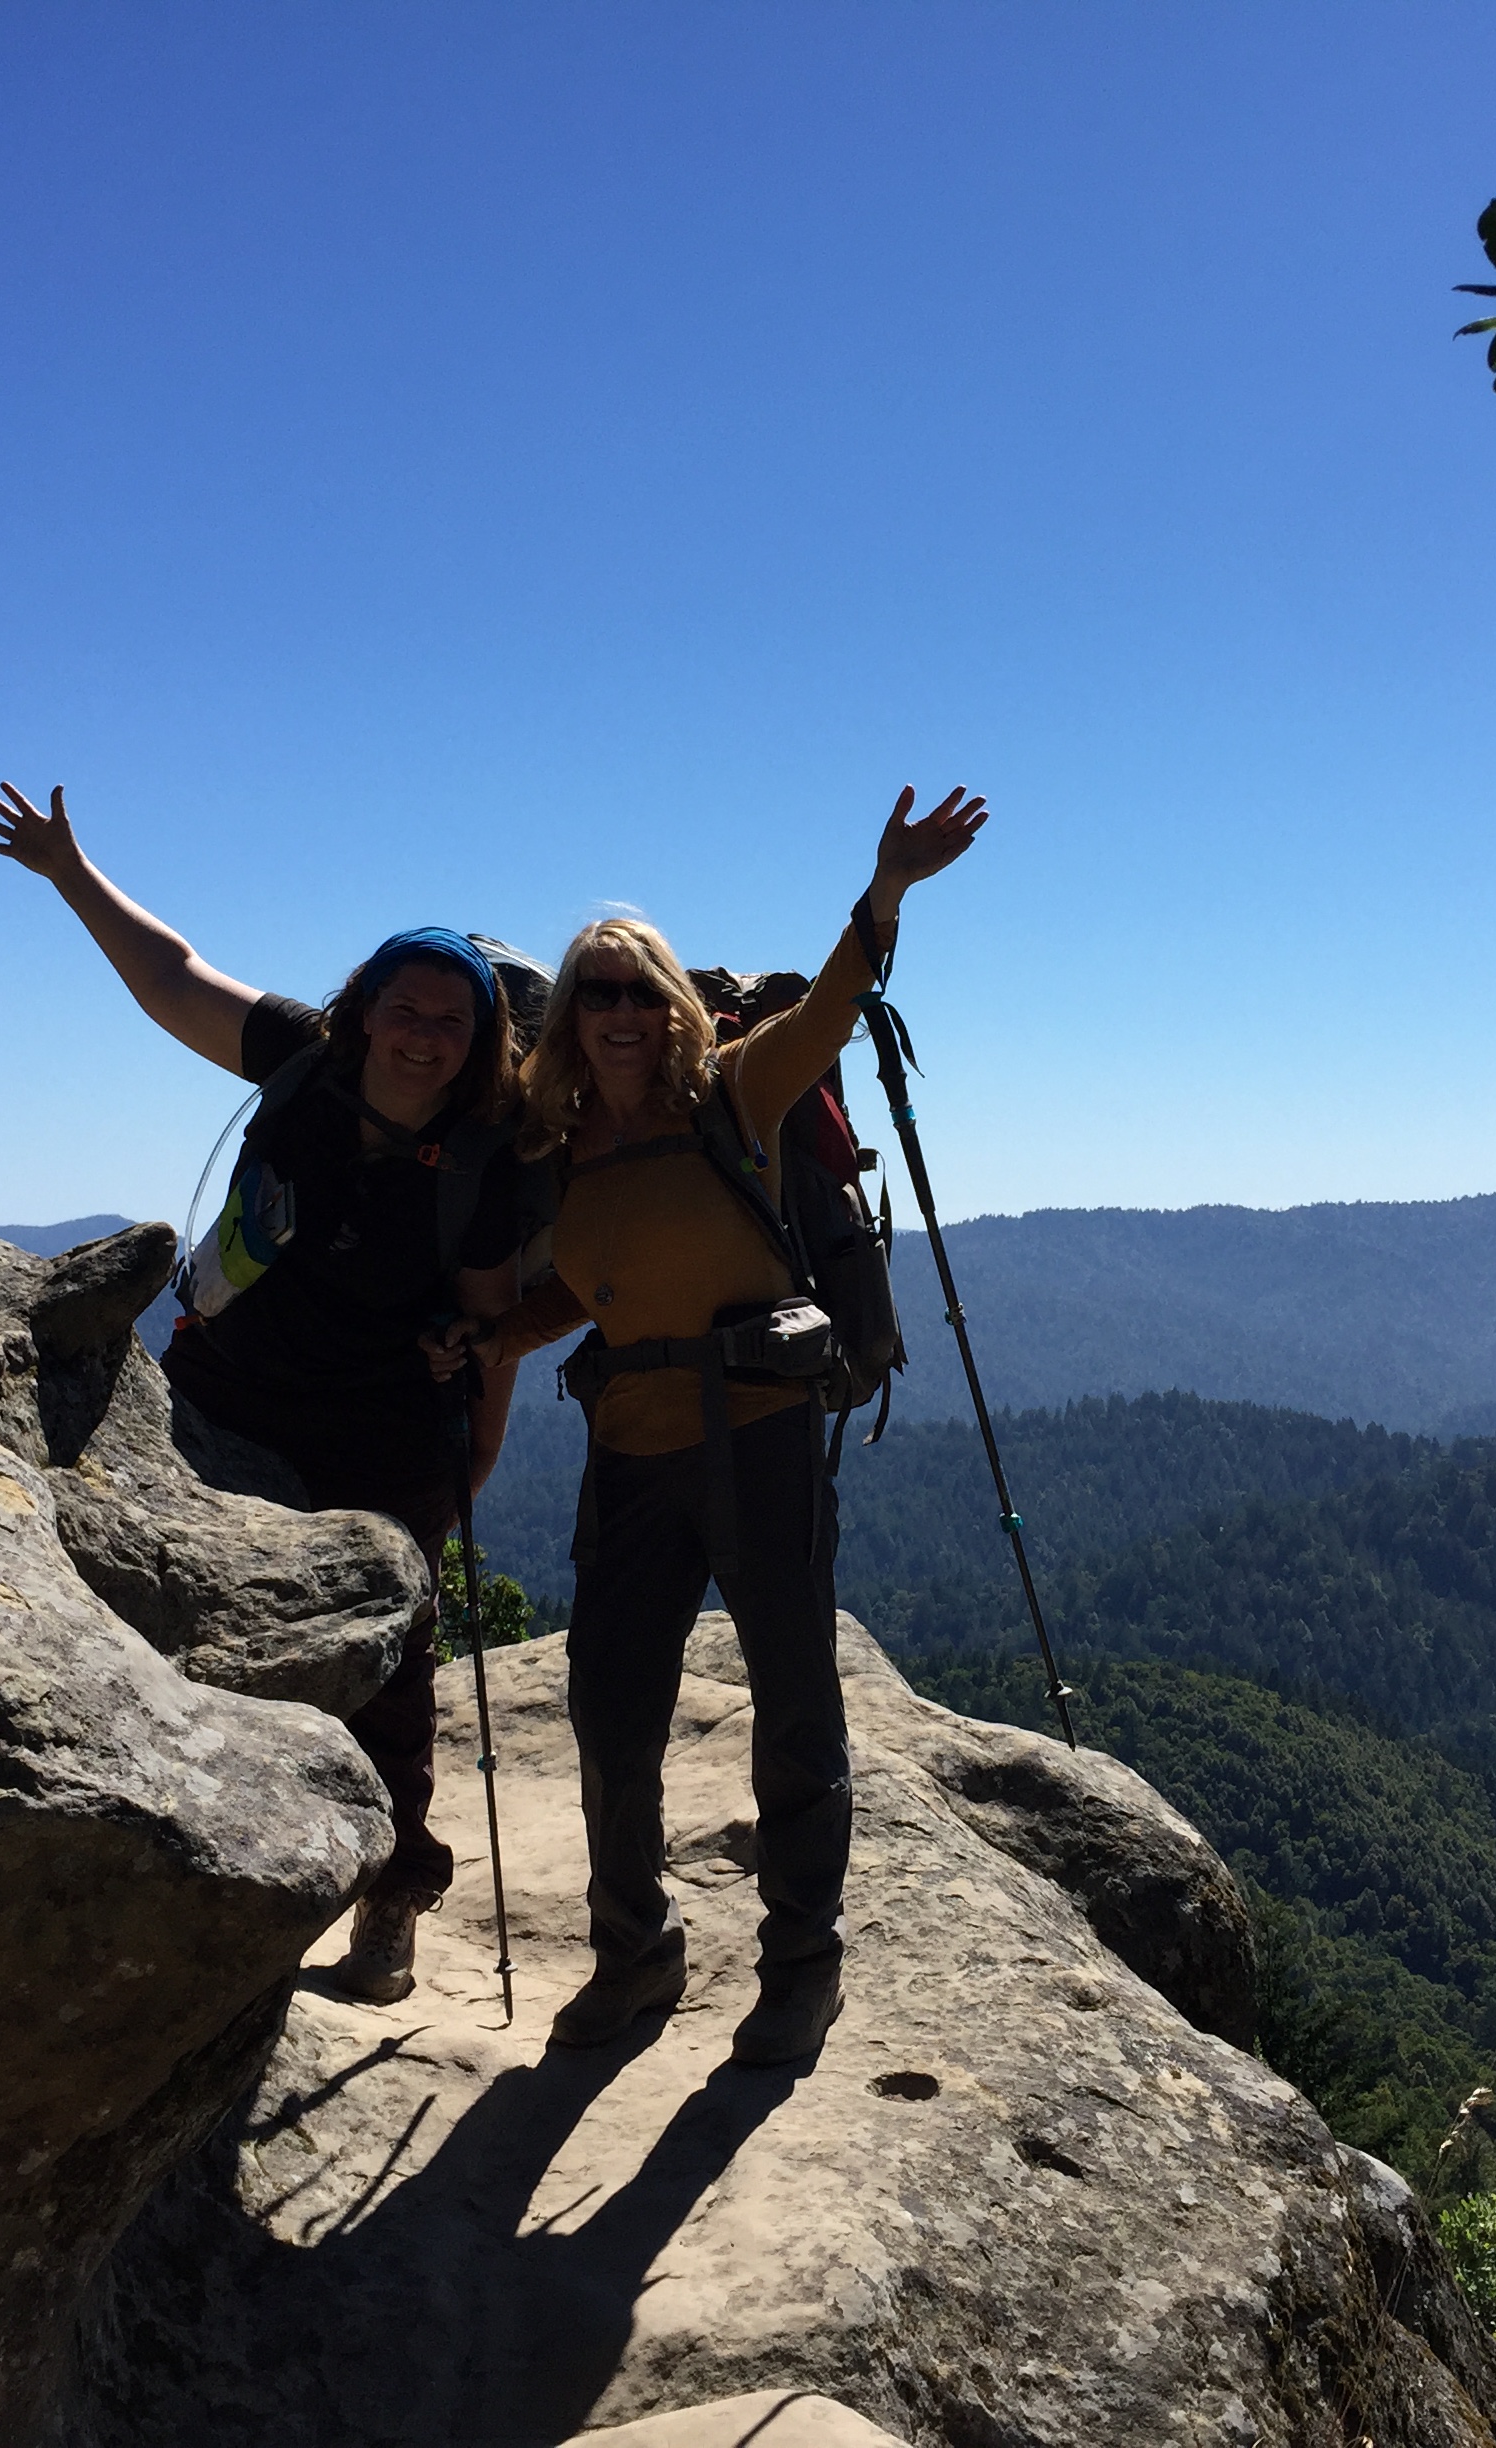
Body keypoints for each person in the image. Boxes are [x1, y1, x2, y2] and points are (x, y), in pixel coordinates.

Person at [433, 785, 987, 2067]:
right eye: (597, 993)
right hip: (629, 1456)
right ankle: (637, 1955)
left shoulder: (737, 1094)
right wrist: (498, 1335)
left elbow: (834, 1006)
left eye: (640, 990)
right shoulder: (564, 1149)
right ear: (567, 1018)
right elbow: (594, 1286)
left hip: (761, 1439)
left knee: (795, 1710)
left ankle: (801, 1965)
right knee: (610, 1716)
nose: (620, 1014)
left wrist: (887, 888)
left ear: (673, 1006)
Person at [0, 780, 524, 2006]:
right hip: (227, 1399)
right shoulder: (301, 1061)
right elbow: (173, 974)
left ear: (479, 1039)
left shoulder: (487, 1161)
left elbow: (493, 1323)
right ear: (367, 1007)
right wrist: (70, 872)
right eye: (405, 1007)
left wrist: (469, 1448)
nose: (423, 1033)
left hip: (384, 1434)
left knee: (389, 1669)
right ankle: (196, 1878)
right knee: (186, 1641)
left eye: (449, 1018)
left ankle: (391, 1897)